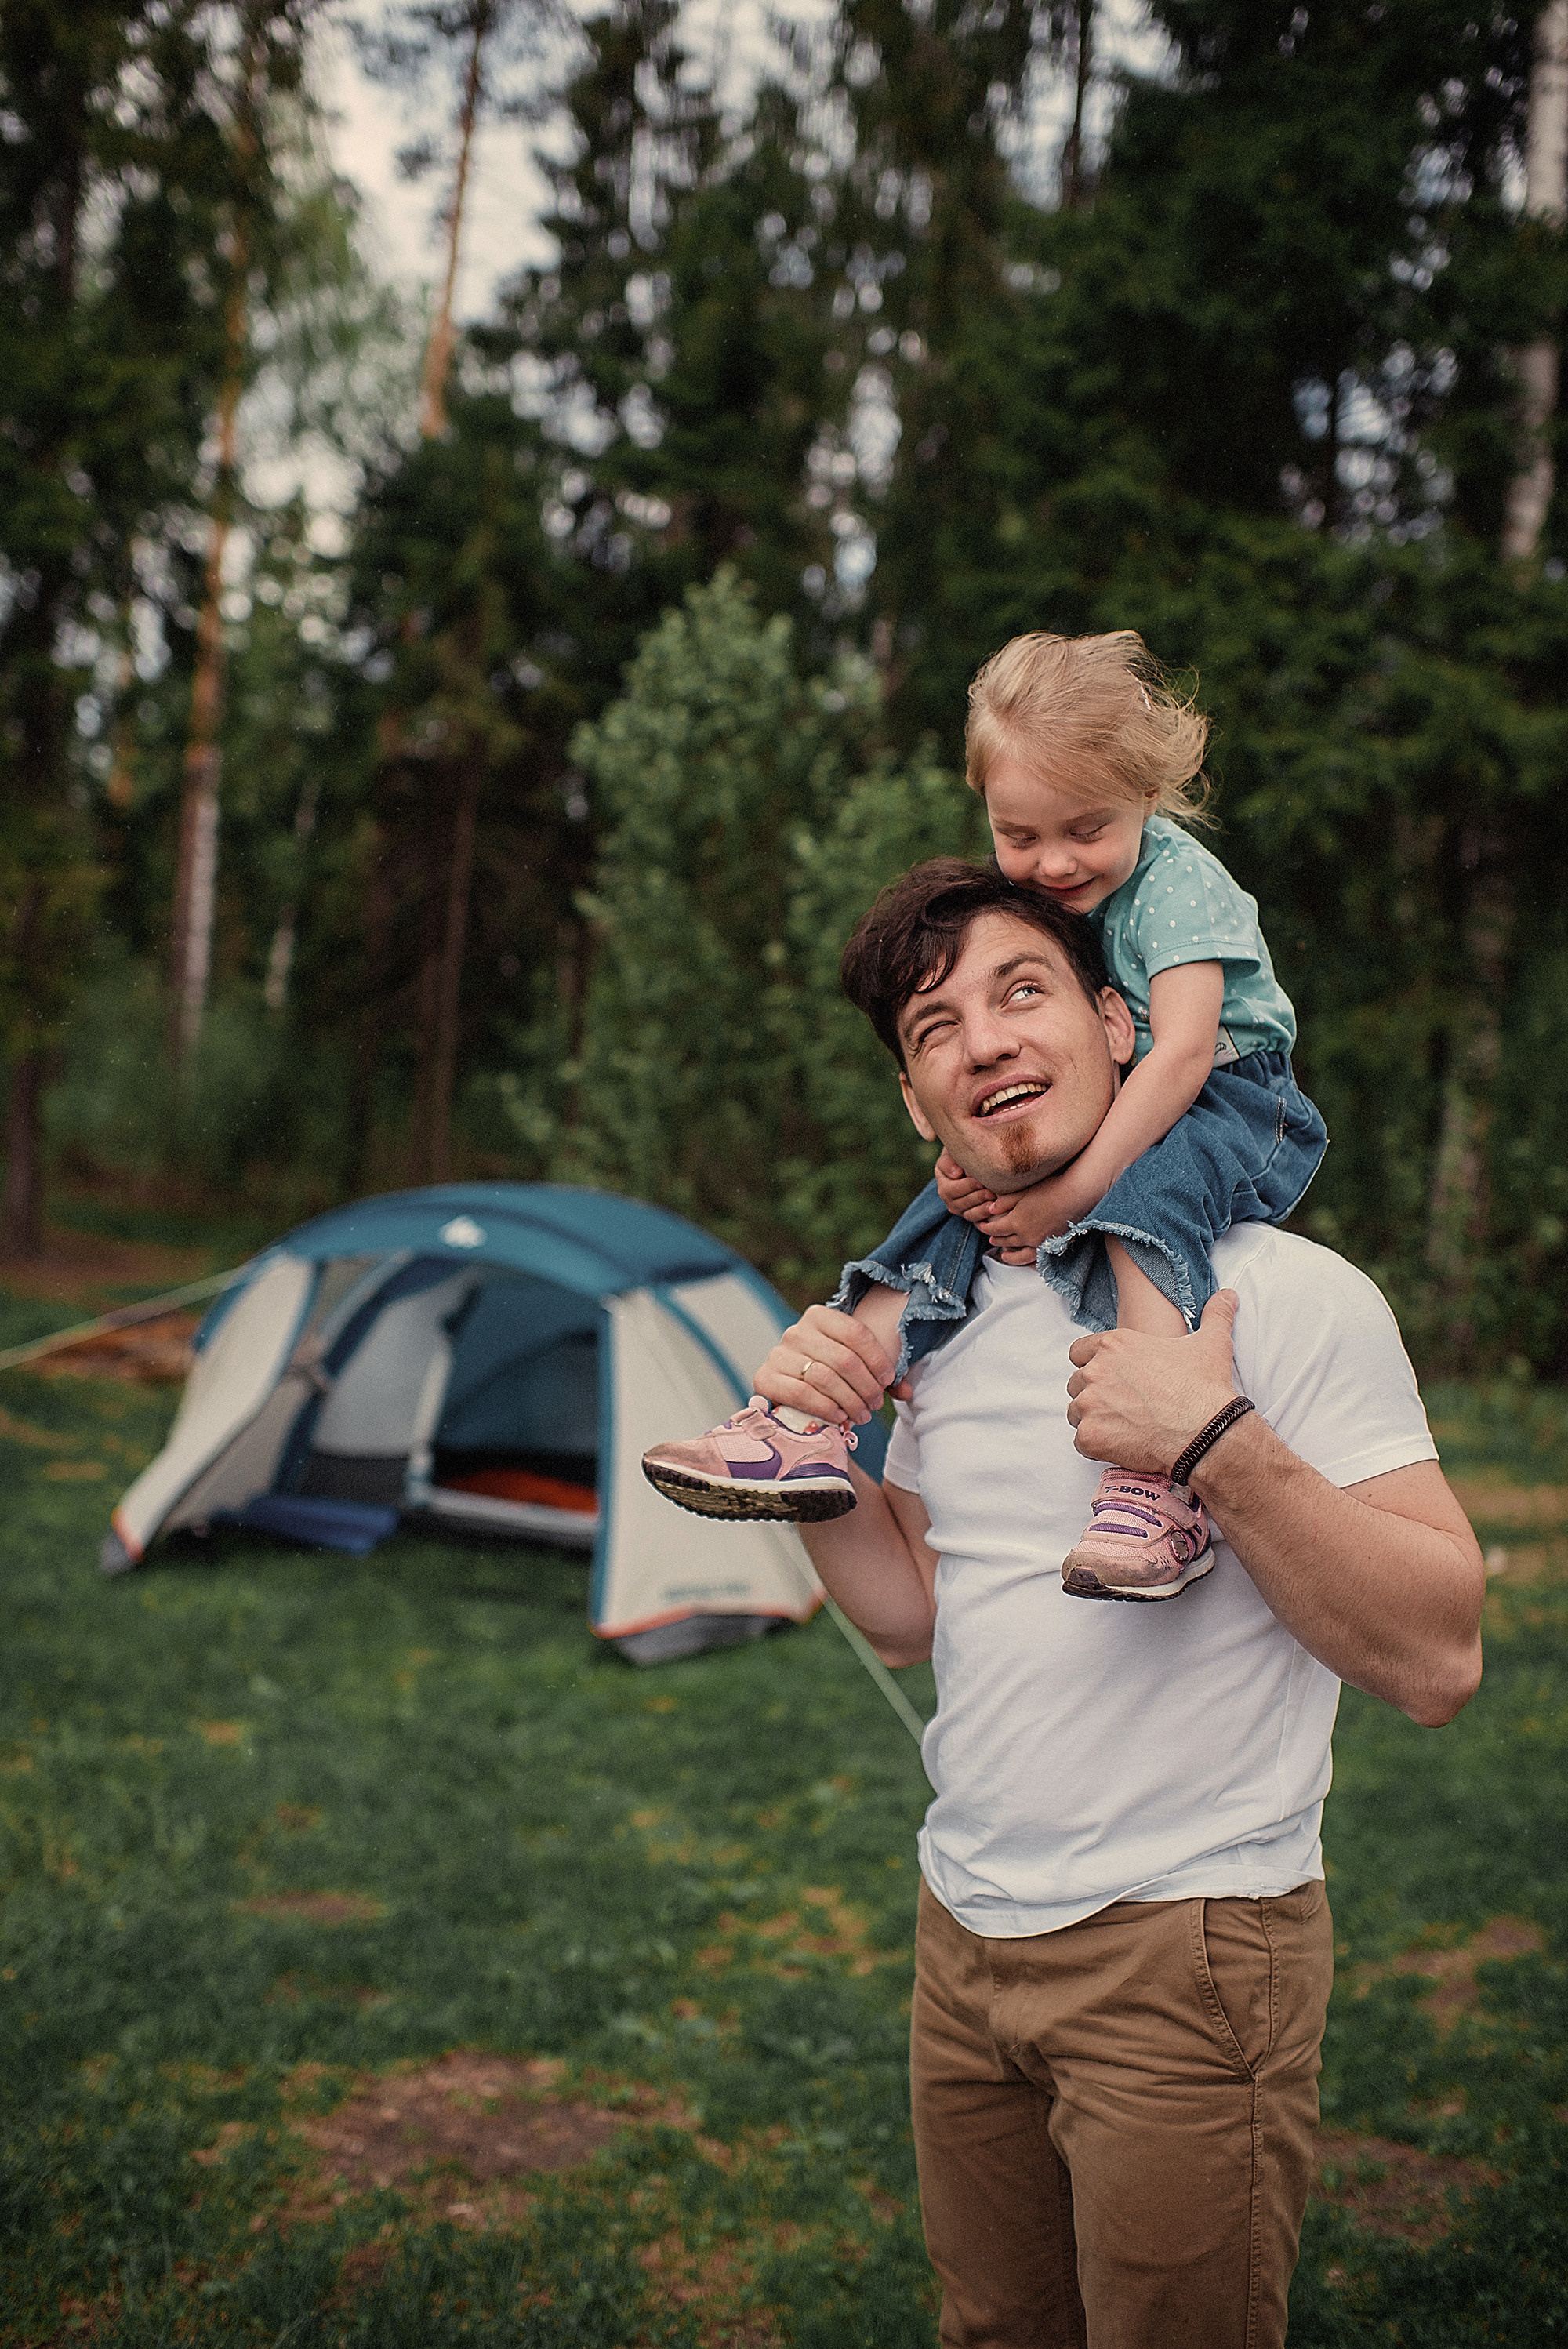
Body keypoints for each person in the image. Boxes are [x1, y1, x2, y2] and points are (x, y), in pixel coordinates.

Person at [747, 857, 1484, 2349]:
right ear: (915, 1100)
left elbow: (1440, 1652)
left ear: (1120, 1021)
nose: (985, 1042)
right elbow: (910, 1612)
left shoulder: (1282, 1292)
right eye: (934, 1027)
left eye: (1023, 992)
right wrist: (812, 1454)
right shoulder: (938, 1322)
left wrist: (1211, 1442)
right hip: (964, 1934)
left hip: (1190, 1948)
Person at [641, 630, 1328, 1603]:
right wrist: (1014, 1174)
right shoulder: (1060, 880)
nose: (1048, 864)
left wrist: (1075, 1189)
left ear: (1143, 793)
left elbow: (1176, 1054)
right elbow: (901, 1623)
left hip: (1230, 1089)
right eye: (1020, 834)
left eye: (1082, 829)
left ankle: (1152, 1481)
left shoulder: (1175, 886)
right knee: (959, 1195)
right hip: (1138, 1090)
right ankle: (807, 1415)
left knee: (1148, 1197)